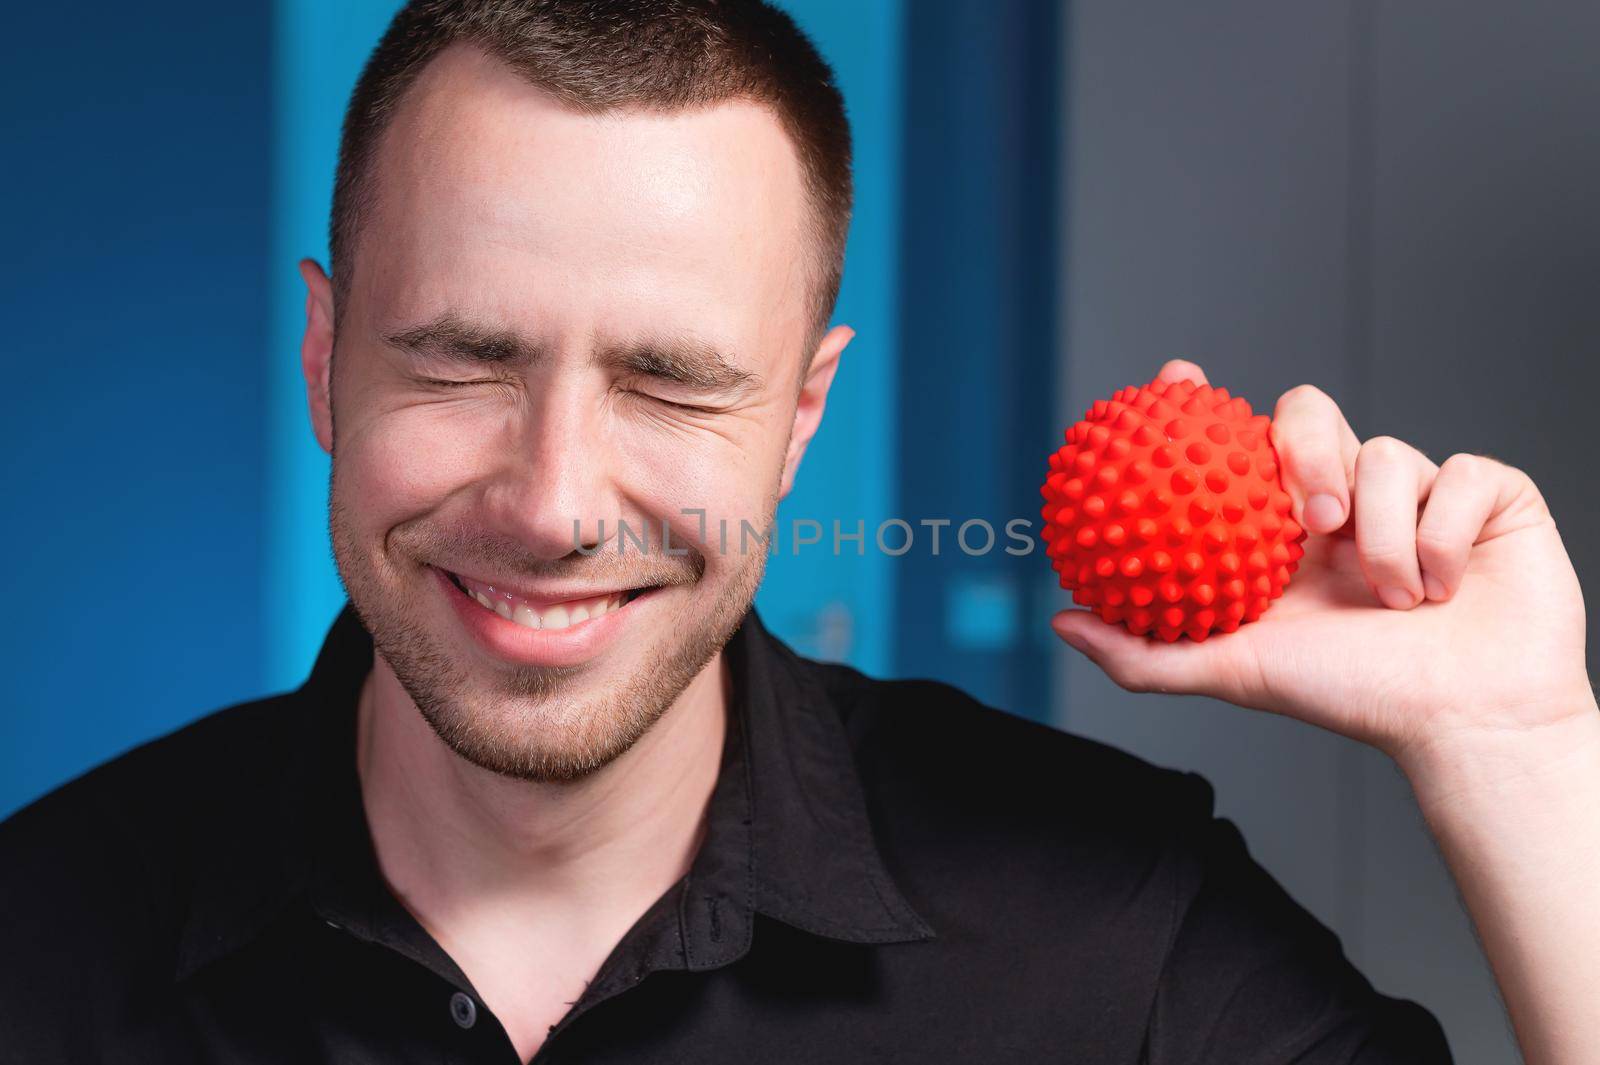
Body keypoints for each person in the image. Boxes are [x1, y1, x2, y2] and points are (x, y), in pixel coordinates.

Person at [2, 2, 1595, 1063]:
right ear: (323, 361)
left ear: (800, 420)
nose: (555, 503)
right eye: (463, 359)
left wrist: (1520, 746)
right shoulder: (41, 939)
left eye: (671, 385)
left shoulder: (1118, 936)